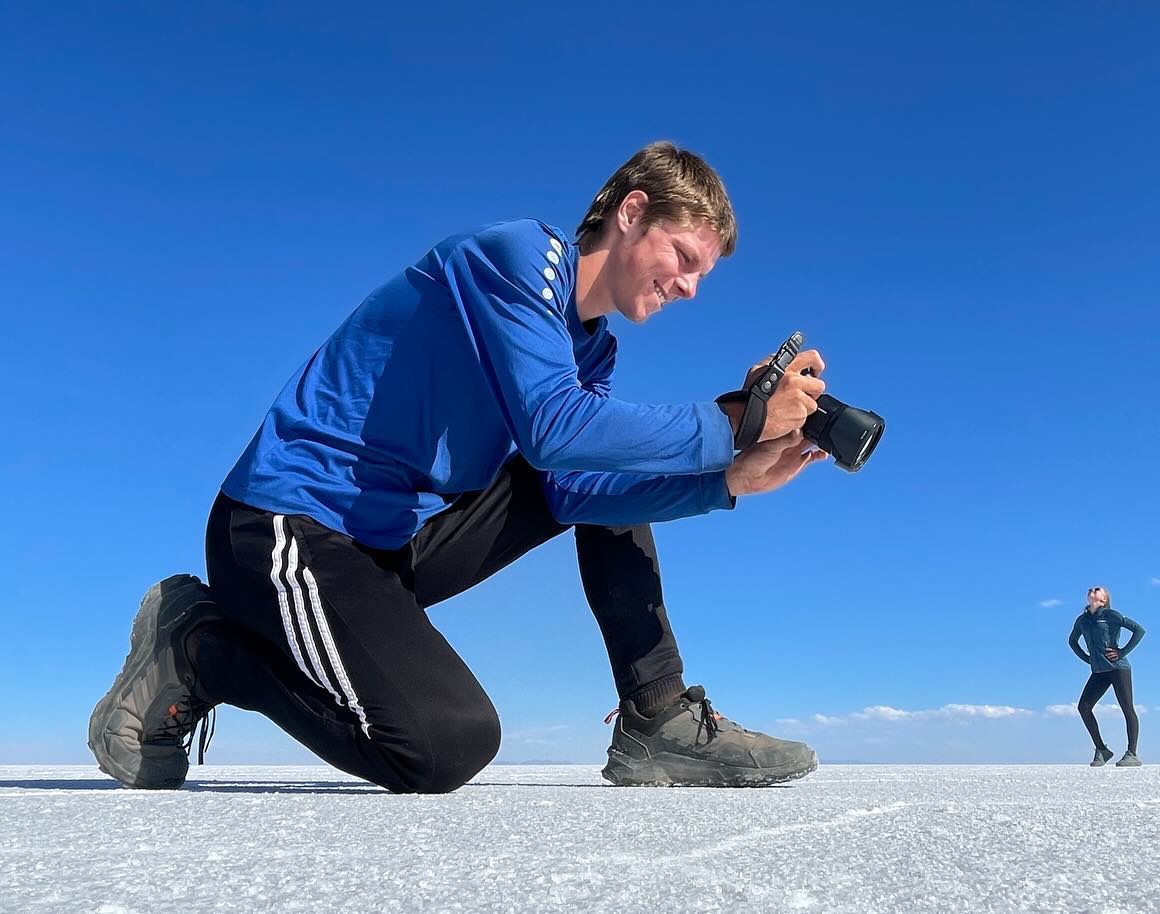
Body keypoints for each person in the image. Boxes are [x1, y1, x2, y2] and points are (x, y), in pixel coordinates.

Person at [88, 141, 831, 793]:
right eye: (685, 258)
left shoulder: (593, 349)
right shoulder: (516, 257)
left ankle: (656, 715)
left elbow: (575, 484)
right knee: (444, 746)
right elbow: (551, 430)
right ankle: (202, 649)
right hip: (286, 524)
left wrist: (725, 480)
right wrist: (735, 422)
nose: (690, 287)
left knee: (613, 463)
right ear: (633, 212)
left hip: (377, 548)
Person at [1068, 585, 1146, 767]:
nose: (1092, 590)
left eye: (1098, 589)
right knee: (1084, 707)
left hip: (1118, 668)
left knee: (1127, 708)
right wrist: (1087, 659)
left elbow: (1139, 630)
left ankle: (1132, 754)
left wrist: (1122, 652)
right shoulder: (1082, 620)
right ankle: (1102, 749)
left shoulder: (1110, 615)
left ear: (1104, 599)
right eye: (1091, 589)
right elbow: (1072, 641)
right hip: (1098, 672)